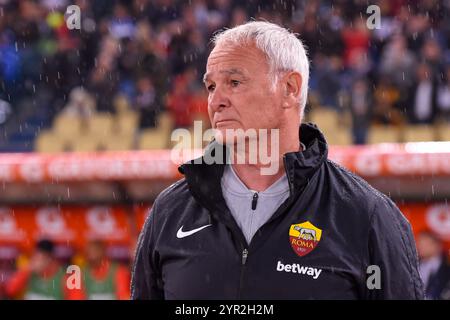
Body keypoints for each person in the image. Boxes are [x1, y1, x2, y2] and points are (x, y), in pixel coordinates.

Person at [131, 21, 424, 299]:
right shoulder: (169, 213)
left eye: (234, 82)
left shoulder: (368, 216)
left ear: (290, 88)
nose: (215, 101)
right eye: (210, 87)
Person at [5, 239, 69, 300]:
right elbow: (10, 290)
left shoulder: (64, 277)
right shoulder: (29, 272)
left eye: (43, 258)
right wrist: (28, 269)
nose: (38, 261)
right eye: (36, 256)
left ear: (50, 258)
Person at [416, 231, 450, 300]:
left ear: (437, 245)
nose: (421, 247)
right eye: (419, 243)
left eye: (426, 244)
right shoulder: (414, 266)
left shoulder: (447, 267)